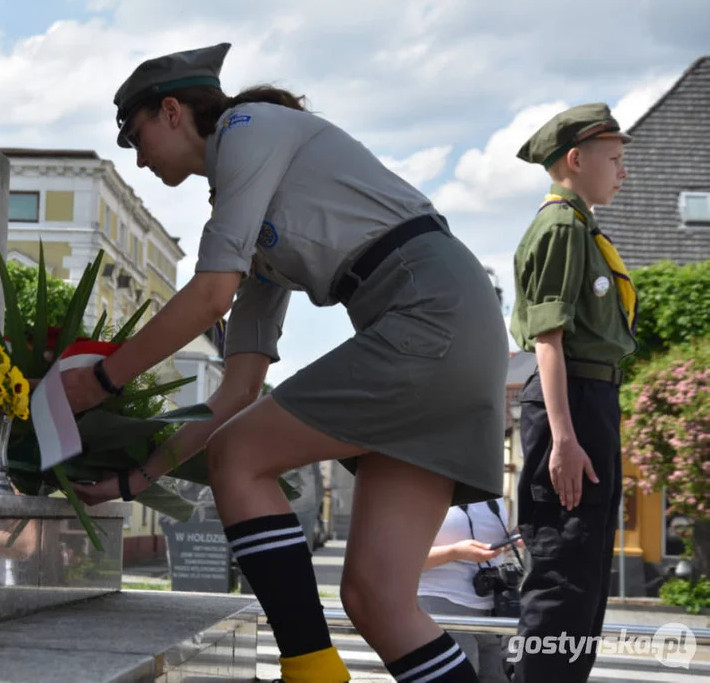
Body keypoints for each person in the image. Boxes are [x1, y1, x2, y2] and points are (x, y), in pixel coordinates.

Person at [66, 42, 509, 683]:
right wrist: (139, 478)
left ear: (171, 111)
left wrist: (105, 379)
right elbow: (234, 393)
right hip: (444, 323)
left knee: (243, 457)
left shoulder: (249, 128)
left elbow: (211, 294)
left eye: (136, 137)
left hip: (429, 309)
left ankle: (308, 674)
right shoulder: (248, 214)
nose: (137, 159)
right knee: (377, 599)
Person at [509, 103, 637, 682]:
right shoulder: (561, 226)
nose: (623, 171)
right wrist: (563, 437)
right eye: (614, 159)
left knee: (582, 574)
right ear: (576, 159)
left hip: (591, 402)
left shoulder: (580, 225)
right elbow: (548, 339)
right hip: (572, 403)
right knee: (562, 571)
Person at [418, 499, 516, 683]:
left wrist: (512, 540)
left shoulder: (492, 492)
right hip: (441, 602)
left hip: (494, 605)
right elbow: (399, 559)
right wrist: (455, 552)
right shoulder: (423, 489)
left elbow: (491, 546)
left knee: (498, 677)